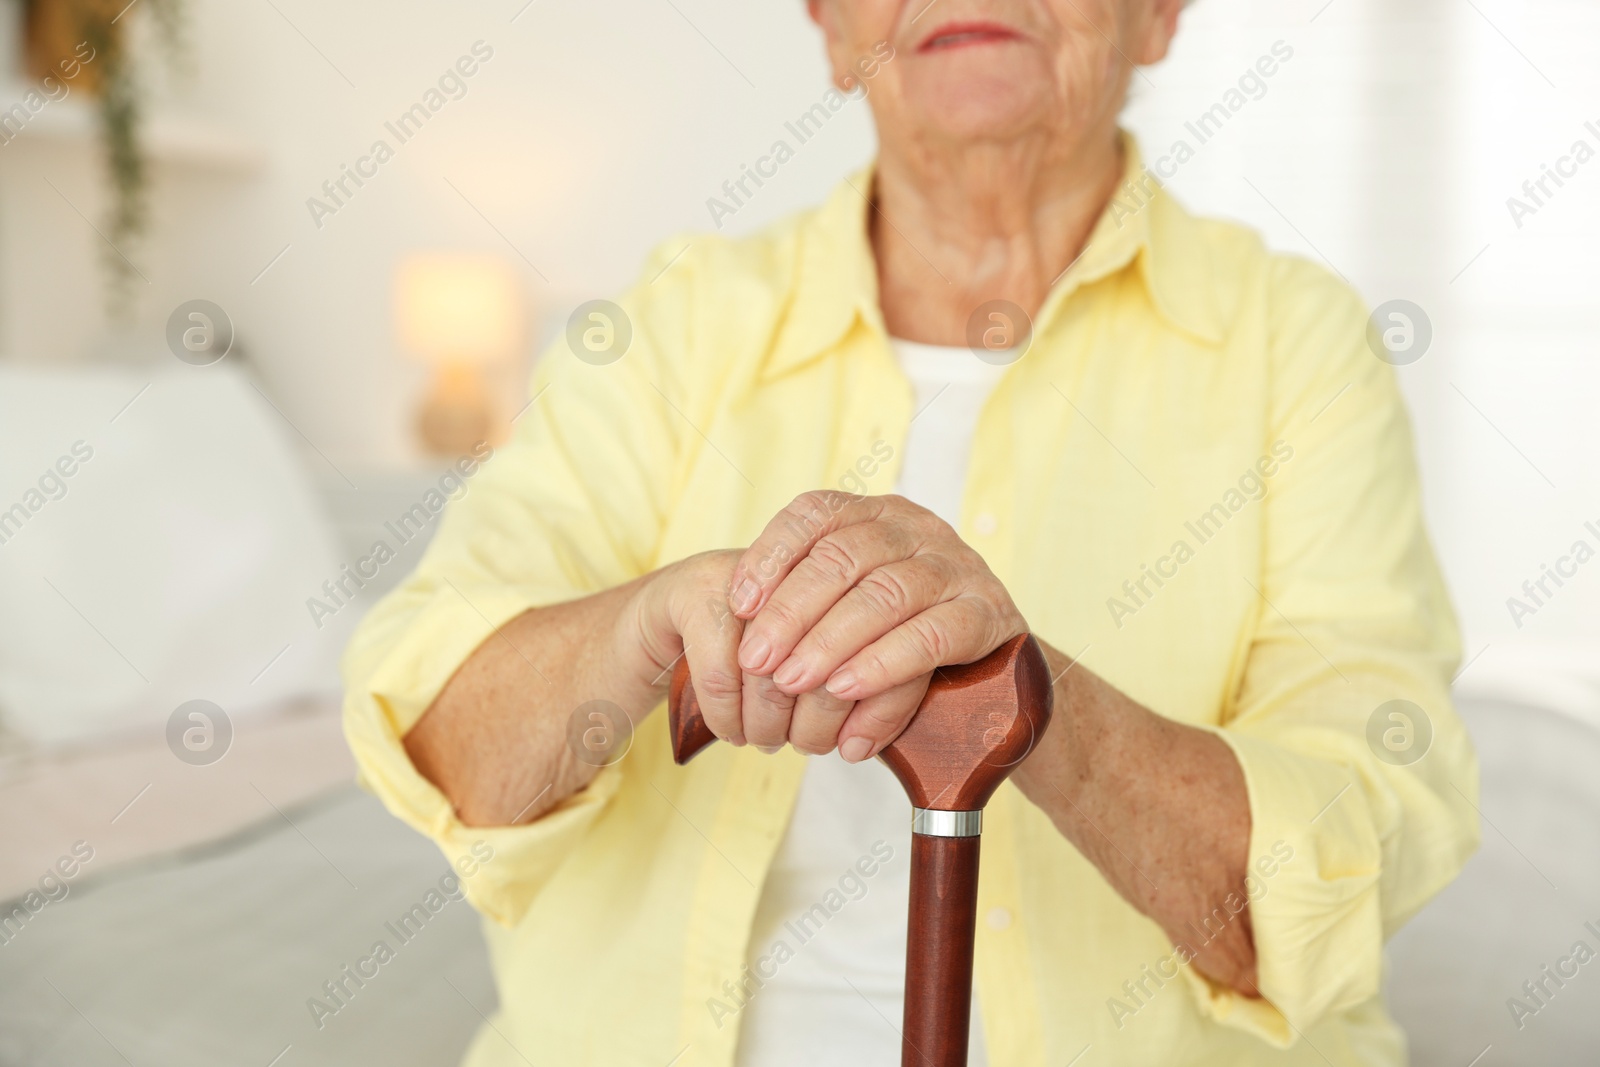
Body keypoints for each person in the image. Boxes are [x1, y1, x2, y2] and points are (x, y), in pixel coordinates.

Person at [342, 1, 1478, 1063]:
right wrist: (642, 625)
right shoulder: (677, 320)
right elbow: (447, 749)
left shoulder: (1296, 343)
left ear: (1161, 13)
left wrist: (1022, 696)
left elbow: (1343, 880)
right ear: (833, 29)